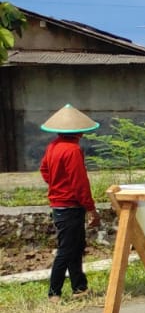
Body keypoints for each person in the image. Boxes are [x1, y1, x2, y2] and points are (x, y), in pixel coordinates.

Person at [38, 104, 100, 299]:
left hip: (59, 203)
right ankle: (54, 292)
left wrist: (56, 184)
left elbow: (44, 170)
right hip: (70, 206)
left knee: (75, 246)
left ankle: (79, 288)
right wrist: (91, 208)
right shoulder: (73, 150)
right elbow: (80, 182)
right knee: (67, 249)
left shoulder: (52, 146)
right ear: (79, 131)